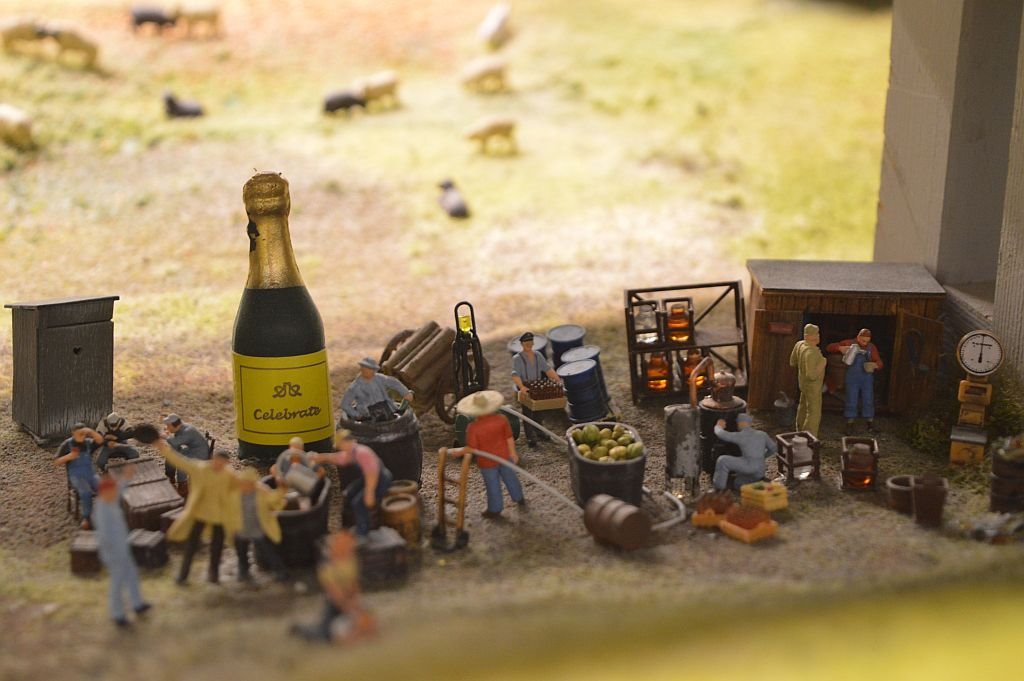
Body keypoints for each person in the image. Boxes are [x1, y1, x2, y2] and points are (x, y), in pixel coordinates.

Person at [152, 440, 237, 585]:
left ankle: (213, 575)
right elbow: (180, 461)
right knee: (191, 545)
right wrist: (164, 449)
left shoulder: (228, 474)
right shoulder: (200, 468)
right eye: (217, 462)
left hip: (220, 515)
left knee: (217, 546)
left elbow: (241, 485)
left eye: (223, 464)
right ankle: (183, 575)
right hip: (200, 513)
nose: (219, 465)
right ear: (213, 459)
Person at [291, 531, 376, 645]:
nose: (350, 550)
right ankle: (299, 629)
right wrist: (353, 611)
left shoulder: (351, 562)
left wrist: (358, 607)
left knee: (365, 617)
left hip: (348, 597)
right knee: (324, 635)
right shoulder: (327, 569)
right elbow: (337, 596)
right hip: (334, 603)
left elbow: (354, 585)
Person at [450, 390, 525, 519]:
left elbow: (472, 448)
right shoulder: (502, 420)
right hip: (505, 456)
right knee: (511, 477)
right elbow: (509, 438)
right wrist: (513, 453)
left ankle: (495, 509)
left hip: (488, 463)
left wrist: (459, 451)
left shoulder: (473, 428)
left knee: (492, 484)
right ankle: (518, 497)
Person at [93, 469, 151, 627]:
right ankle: (117, 613)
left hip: (122, 547)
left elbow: (118, 490)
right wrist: (113, 553)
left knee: (132, 575)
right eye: (112, 491)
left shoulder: (109, 499)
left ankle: (137, 604)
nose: (115, 494)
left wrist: (126, 478)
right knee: (117, 583)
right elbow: (104, 536)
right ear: (105, 493)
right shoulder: (101, 510)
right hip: (113, 553)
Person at [313, 430, 392, 536]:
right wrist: (322, 457)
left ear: (345, 442)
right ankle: (353, 523)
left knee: (358, 503)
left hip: (379, 480)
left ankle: (363, 531)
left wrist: (369, 493)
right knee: (349, 493)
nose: (339, 448)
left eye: (340, 445)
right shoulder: (351, 452)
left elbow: (372, 473)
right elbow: (339, 458)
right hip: (367, 478)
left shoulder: (362, 453)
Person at [233, 467, 289, 583]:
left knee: (268, 550)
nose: (245, 486)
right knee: (241, 553)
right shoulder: (235, 493)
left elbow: (273, 499)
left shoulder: (261, 492)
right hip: (240, 529)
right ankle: (243, 572)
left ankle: (280, 570)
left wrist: (282, 489)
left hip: (257, 527)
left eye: (248, 483)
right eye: (243, 483)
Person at [827, 328, 884, 434]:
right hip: (852, 378)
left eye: (867, 341)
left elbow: (879, 362)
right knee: (851, 399)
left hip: (866, 378)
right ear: (858, 337)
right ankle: (850, 423)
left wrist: (875, 365)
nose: (865, 343)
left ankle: (870, 423)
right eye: (863, 340)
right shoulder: (849, 343)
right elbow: (829, 347)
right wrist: (840, 348)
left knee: (868, 399)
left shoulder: (871, 347)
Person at [511, 332, 562, 448]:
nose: (529, 344)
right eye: (526, 342)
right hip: (526, 388)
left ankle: (539, 431)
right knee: (528, 412)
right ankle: (530, 436)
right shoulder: (517, 359)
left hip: (538, 387)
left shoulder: (538, 355)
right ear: (522, 344)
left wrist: (557, 379)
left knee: (539, 410)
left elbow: (547, 369)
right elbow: (515, 375)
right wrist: (521, 387)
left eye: (530, 342)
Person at [54, 423, 103, 529]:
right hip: (76, 476)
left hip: (91, 474)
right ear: (73, 433)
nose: (81, 435)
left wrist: (91, 431)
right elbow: (56, 461)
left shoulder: (88, 443)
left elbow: (100, 440)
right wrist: (69, 457)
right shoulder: (67, 444)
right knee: (86, 492)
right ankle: (86, 517)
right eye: (79, 433)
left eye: (83, 433)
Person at [712, 414, 777, 491]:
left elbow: (722, 434)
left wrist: (718, 426)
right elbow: (774, 448)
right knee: (737, 482)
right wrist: (762, 457)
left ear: (741, 423)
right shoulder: (762, 434)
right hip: (760, 470)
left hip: (749, 467)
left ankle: (719, 488)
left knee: (722, 460)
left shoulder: (741, 435)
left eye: (738, 423)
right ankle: (753, 483)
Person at [340, 358, 413, 422]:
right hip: (368, 416)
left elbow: (393, 382)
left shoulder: (379, 378)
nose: (372, 371)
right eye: (367, 368)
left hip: (387, 410)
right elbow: (345, 404)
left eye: (372, 369)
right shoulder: (355, 387)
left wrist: (405, 393)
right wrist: (357, 415)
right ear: (362, 369)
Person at [789, 324, 827, 437]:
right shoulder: (812, 352)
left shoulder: (799, 345)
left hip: (803, 383)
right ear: (813, 336)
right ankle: (809, 436)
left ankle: (799, 429)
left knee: (803, 407)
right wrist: (822, 363)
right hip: (813, 387)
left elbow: (792, 362)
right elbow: (811, 375)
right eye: (816, 334)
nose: (818, 336)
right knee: (813, 412)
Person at [163, 414, 211, 496]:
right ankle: (170, 477)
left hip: (200, 453)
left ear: (175, 425)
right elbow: (175, 445)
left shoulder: (187, 431)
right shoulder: (180, 429)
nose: (167, 428)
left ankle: (183, 487)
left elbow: (175, 442)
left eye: (168, 426)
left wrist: (165, 436)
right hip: (192, 450)